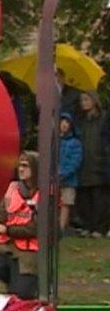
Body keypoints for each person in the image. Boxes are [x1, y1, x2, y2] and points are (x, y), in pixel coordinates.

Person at [0, 152, 40, 299]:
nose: (20, 169)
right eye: (19, 165)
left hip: (31, 250)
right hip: (8, 245)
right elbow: (3, 217)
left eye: (25, 166)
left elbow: (37, 228)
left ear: (35, 168)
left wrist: (7, 230)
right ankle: (15, 279)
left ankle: (24, 282)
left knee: (22, 295)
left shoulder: (45, 193)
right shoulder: (12, 188)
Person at [74, 92, 107, 237]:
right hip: (84, 163)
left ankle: (99, 228)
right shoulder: (81, 121)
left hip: (99, 161)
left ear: (94, 101)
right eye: (82, 100)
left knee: (99, 197)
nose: (83, 103)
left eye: (86, 99)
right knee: (84, 197)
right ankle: (87, 225)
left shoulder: (104, 119)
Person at [58, 113, 83, 231]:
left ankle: (61, 228)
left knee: (66, 204)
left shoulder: (75, 142)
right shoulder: (53, 141)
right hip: (53, 178)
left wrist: (64, 173)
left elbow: (75, 161)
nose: (64, 124)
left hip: (69, 180)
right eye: (62, 121)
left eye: (67, 122)